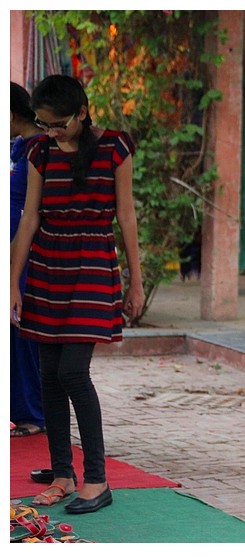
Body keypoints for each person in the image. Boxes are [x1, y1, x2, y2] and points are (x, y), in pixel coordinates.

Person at [9, 74, 145, 514]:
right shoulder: (38, 151)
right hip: (48, 264)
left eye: (58, 124)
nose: (51, 132)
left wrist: (136, 281)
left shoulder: (115, 148)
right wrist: (11, 281)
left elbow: (126, 217)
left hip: (92, 263)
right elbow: (29, 219)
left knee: (72, 372)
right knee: (50, 374)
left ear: (83, 112)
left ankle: (98, 479)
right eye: (43, 124)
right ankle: (63, 473)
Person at [10, 82, 46, 438]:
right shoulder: (20, 148)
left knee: (21, 330)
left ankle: (33, 413)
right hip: (12, 245)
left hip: (24, 249)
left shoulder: (39, 150)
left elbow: (33, 211)